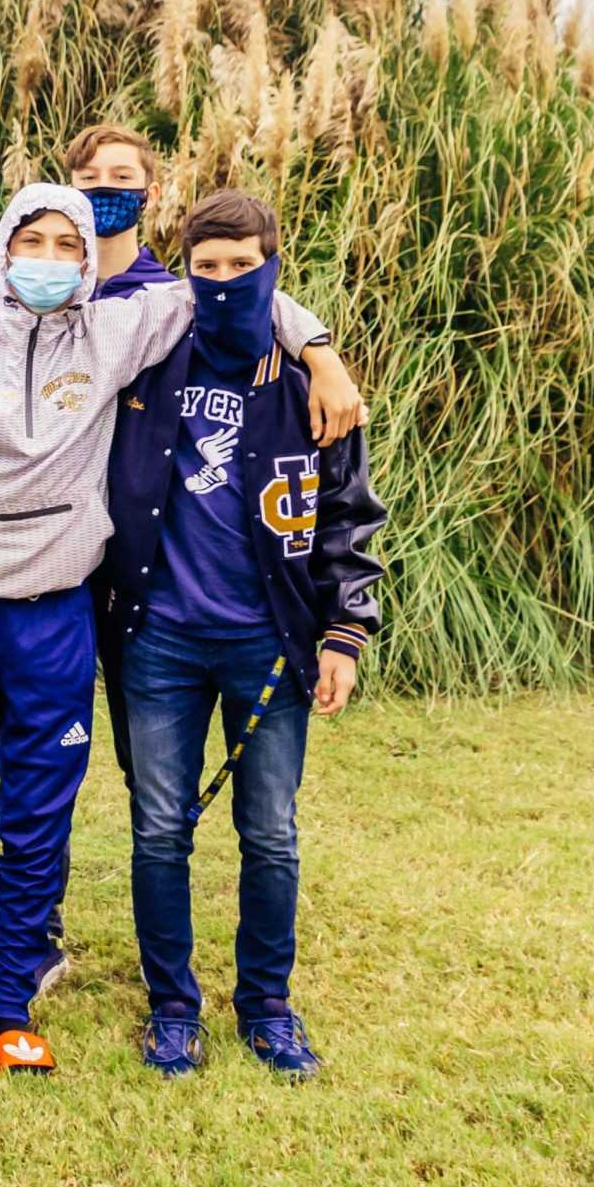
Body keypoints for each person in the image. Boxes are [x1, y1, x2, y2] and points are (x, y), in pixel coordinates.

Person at [0, 183, 360, 1074]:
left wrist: (319, 353)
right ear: (4, 245)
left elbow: (242, 288)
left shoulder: (117, 331)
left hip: (55, 616)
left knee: (37, 816)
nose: (47, 260)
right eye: (31, 240)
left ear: (89, 261)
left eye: (66, 245)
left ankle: (12, 998)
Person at [102, 189, 386, 1082]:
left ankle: (266, 1003)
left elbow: (348, 517)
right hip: (160, 641)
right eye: (207, 266)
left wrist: (343, 631)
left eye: (242, 265)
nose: (224, 281)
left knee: (270, 832)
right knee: (158, 829)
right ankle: (173, 1008)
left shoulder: (308, 388)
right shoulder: (147, 363)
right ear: (187, 275)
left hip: (268, 644)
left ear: (272, 268)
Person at [38, 123, 181, 996]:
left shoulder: (176, 295)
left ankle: (162, 938)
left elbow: (257, 293)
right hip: (54, 565)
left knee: (143, 763)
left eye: (121, 178)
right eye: (88, 178)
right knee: (46, 756)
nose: (104, 190)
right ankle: (41, 932)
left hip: (142, 576)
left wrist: (317, 350)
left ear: (151, 193)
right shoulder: (46, 287)